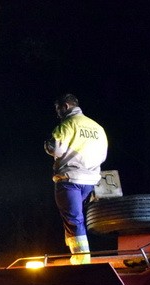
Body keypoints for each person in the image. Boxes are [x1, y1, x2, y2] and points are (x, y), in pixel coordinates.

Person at [44, 93, 108, 265]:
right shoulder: (97, 128)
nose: (57, 113)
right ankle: (81, 255)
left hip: (69, 179)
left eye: (58, 109)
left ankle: (81, 260)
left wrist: (47, 145)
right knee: (80, 219)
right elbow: (103, 155)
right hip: (91, 180)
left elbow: (55, 149)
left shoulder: (67, 125)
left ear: (65, 106)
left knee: (73, 219)